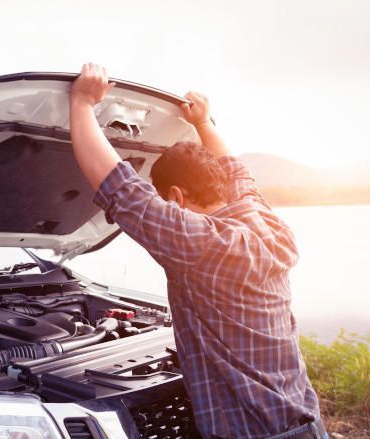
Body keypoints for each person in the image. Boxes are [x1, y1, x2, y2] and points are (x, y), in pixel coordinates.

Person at [68, 63, 325, 439]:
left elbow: (121, 190)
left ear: (176, 197)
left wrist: (81, 103)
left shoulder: (203, 244)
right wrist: (204, 123)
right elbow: (239, 174)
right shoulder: (266, 223)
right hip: (305, 420)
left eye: (167, 202)